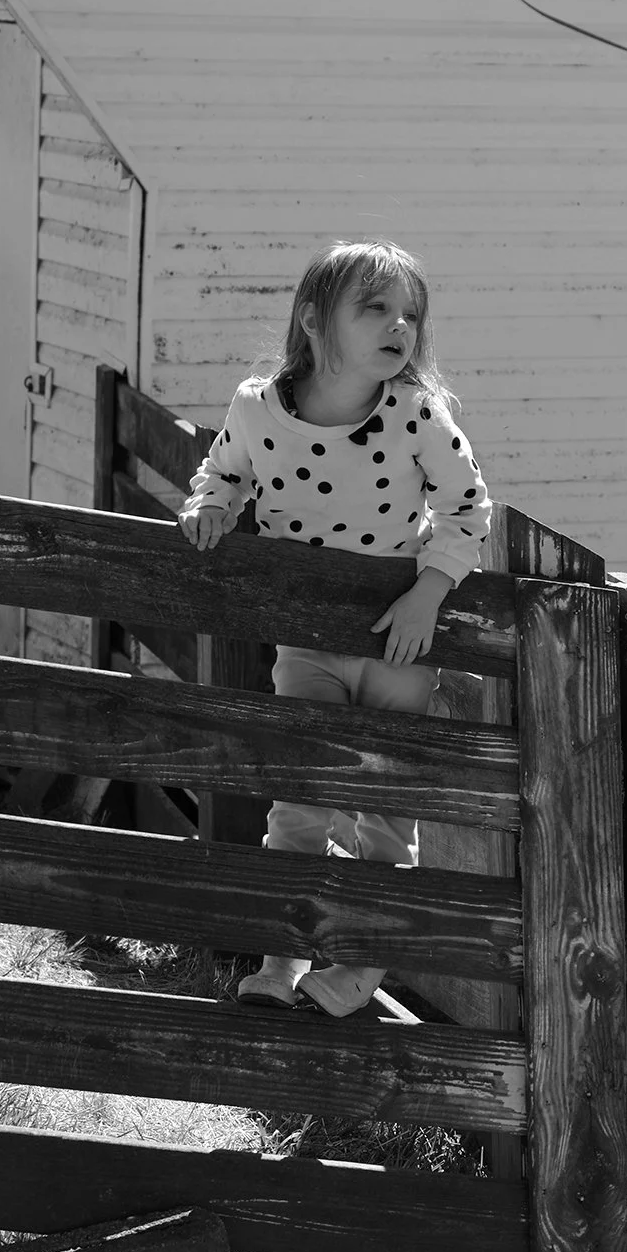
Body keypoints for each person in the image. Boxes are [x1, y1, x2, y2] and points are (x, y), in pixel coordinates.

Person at [178, 239, 493, 1016]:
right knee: (298, 807)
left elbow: (469, 511)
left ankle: (357, 972)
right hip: (307, 638)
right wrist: (211, 507)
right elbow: (224, 470)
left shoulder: (419, 414)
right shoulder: (257, 407)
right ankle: (281, 962)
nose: (400, 327)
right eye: (375, 308)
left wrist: (429, 592)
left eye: (410, 314)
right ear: (315, 324)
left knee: (384, 812)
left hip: (397, 643)